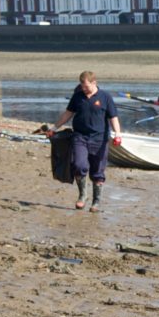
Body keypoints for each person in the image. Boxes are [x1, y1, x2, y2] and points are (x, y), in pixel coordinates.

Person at [48, 70, 122, 213]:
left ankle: (96, 201)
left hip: (99, 139)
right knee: (78, 164)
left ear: (94, 83)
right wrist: (54, 127)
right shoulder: (77, 96)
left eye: (86, 86)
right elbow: (68, 113)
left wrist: (118, 134)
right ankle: (83, 195)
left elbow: (113, 117)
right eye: (82, 86)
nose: (84, 89)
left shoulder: (105, 97)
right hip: (80, 137)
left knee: (97, 172)